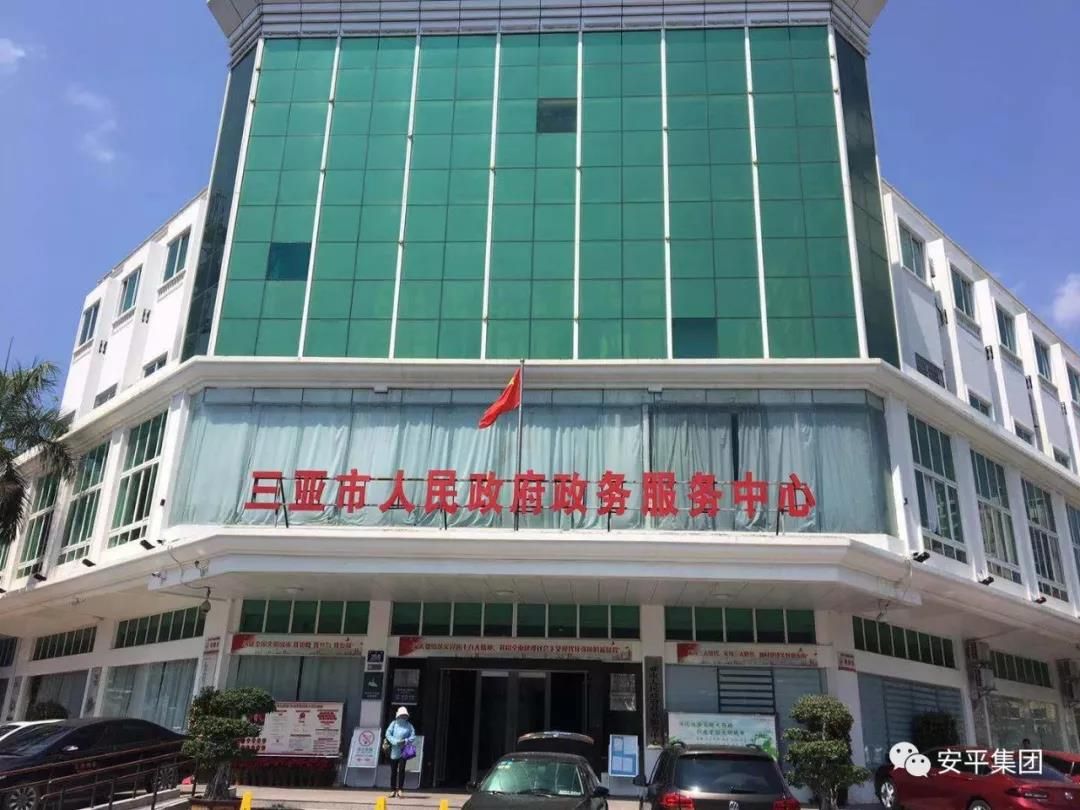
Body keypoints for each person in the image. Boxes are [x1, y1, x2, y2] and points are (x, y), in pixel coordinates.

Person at [385, 706, 416, 797]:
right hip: (394, 750)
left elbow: (413, 736)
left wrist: (405, 741)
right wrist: (395, 741)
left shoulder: (409, 725)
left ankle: (400, 789)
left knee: (402, 770)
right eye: (401, 715)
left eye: (404, 715)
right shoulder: (394, 724)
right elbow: (388, 734)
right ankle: (392, 790)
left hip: (404, 750)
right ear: (398, 716)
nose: (403, 717)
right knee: (393, 771)